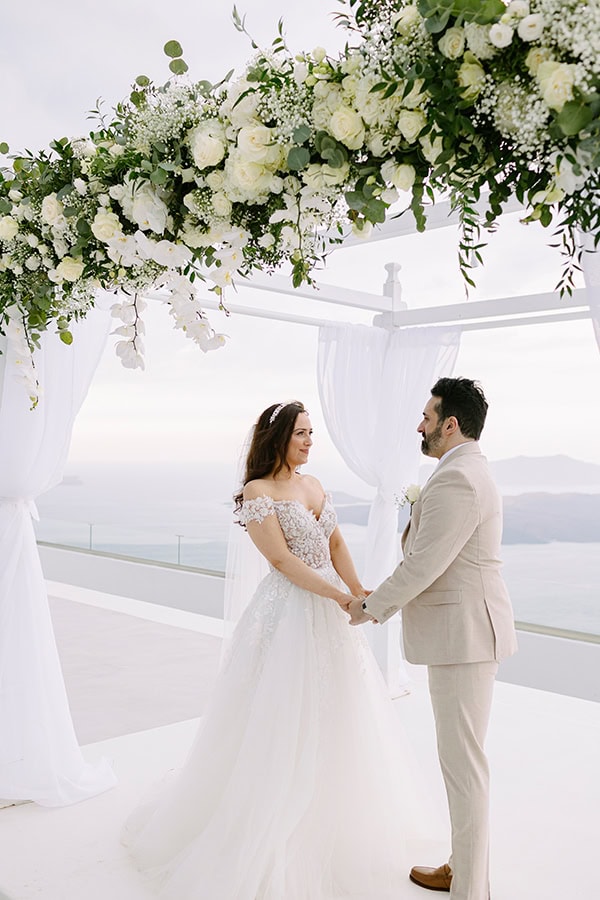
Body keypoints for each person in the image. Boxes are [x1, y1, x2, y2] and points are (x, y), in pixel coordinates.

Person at [123, 400, 437, 900]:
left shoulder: (314, 486)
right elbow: (281, 560)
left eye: (312, 433)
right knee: (281, 713)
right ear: (277, 439)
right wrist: (340, 596)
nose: (310, 441)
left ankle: (331, 817)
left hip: (331, 616)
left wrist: (363, 593)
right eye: (301, 434)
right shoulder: (258, 492)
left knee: (338, 712)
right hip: (288, 613)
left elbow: (334, 546)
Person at [349, 378, 518, 900]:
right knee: (462, 762)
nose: (418, 426)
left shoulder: (457, 479)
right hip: (465, 633)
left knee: (464, 767)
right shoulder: (465, 470)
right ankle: (461, 865)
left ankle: (470, 888)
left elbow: (425, 563)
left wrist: (371, 607)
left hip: (465, 637)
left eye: (426, 417)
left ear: (450, 424)